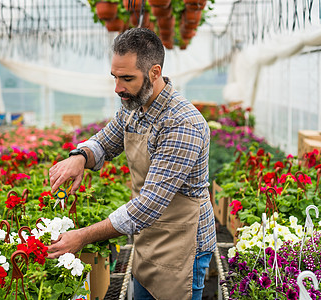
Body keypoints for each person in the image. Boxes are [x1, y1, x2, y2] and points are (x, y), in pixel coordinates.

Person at [47, 27, 216, 300]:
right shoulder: (135, 107)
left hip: (182, 245)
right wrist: (79, 157)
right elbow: (104, 142)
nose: (118, 88)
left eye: (127, 78)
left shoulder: (181, 123)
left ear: (154, 73)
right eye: (115, 77)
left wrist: (82, 236)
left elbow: (148, 206)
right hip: (148, 235)